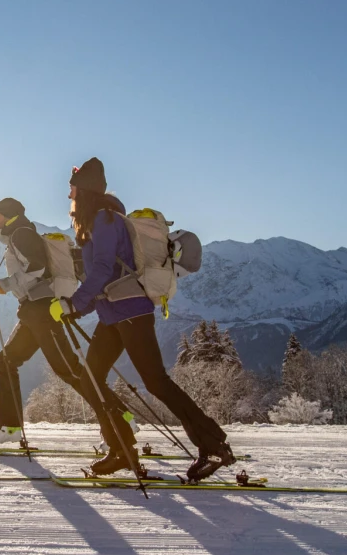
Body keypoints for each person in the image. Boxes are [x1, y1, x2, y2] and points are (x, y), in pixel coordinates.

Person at [51, 156, 236, 482]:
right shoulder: (97, 223)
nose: (69, 196)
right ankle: (121, 448)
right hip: (113, 316)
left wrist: (74, 305)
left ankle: (214, 446)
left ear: (85, 190)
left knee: (156, 382)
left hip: (132, 313)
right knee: (89, 380)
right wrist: (77, 306)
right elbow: (103, 282)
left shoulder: (106, 220)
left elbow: (106, 270)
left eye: (72, 189)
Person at [0, 197, 134, 457]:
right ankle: (11, 425)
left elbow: (37, 268)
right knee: (6, 361)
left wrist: (0, 285)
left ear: (8, 215)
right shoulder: (20, 235)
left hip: (42, 312)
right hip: (32, 311)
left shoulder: (21, 234)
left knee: (71, 371)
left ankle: (122, 420)